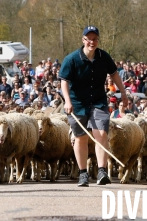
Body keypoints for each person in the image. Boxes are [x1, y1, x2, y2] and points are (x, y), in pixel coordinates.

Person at [59, 26, 128, 187]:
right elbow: (64, 81)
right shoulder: (71, 59)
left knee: (101, 134)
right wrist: (67, 101)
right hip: (77, 103)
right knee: (80, 138)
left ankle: (102, 171)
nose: (92, 42)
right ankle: (83, 173)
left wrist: (123, 92)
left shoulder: (104, 57)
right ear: (83, 40)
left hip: (98, 101)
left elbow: (114, 73)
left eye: (95, 39)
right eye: (89, 39)